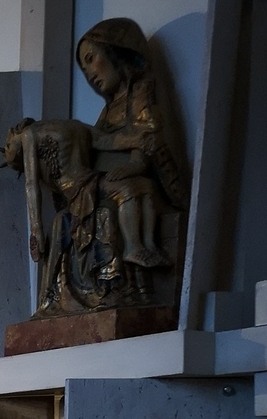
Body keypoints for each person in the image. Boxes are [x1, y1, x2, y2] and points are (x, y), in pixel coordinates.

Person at [76, 18, 185, 269]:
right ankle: (134, 248)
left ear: (115, 52)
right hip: (103, 181)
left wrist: (136, 164)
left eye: (91, 59)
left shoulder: (140, 95)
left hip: (127, 178)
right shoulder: (107, 111)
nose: (90, 74)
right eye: (84, 69)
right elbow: (95, 142)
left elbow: (146, 135)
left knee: (141, 189)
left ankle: (143, 247)